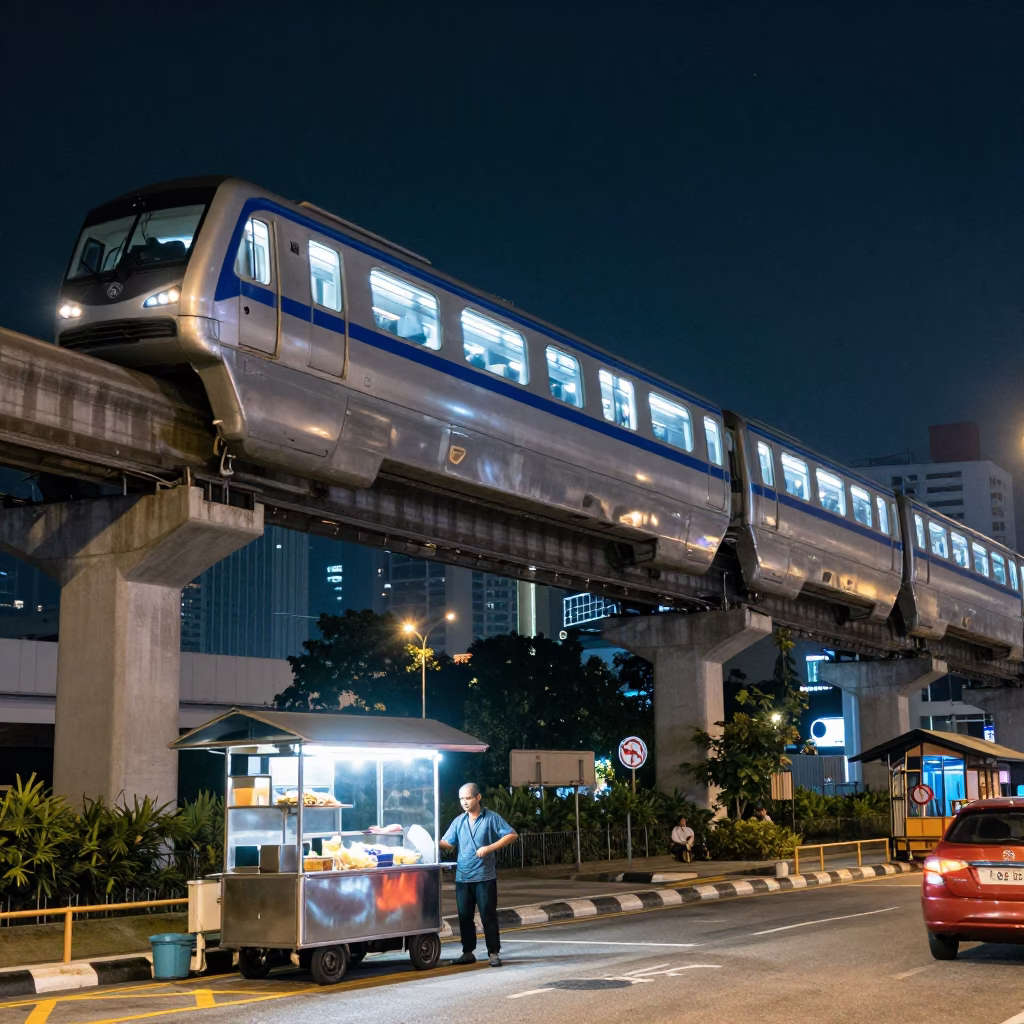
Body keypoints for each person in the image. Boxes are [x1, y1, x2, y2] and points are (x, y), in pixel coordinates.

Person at [440, 783, 518, 967]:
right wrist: (430, 841)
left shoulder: (491, 818)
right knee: (464, 917)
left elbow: (512, 835)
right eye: (461, 799)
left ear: (478, 798)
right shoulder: (459, 821)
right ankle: (468, 952)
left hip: (485, 877)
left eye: (467, 798)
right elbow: (447, 842)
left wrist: (489, 848)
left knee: (488, 916)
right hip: (463, 878)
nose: (464, 802)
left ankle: (493, 953)